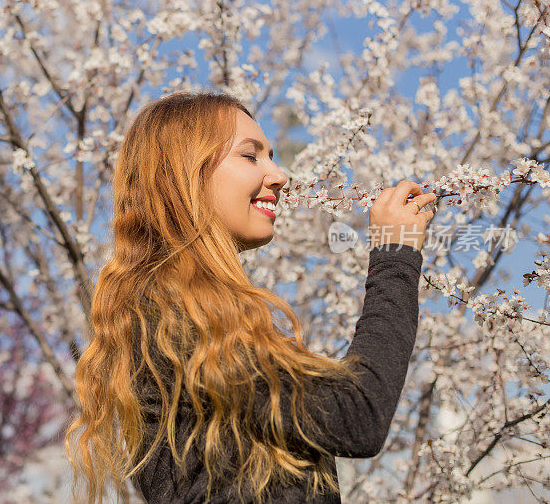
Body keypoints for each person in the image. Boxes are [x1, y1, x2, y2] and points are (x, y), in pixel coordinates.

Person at [65, 91, 436, 503]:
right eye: (250, 156)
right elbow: (359, 415)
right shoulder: (177, 319)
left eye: (272, 156)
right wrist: (394, 255)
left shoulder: (178, 311)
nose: (278, 175)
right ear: (184, 173)